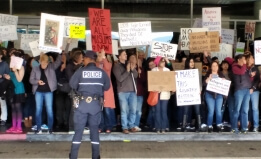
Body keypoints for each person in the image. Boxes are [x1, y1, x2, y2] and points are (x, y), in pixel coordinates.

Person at [69, 51, 110, 159]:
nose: (83, 60)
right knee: (94, 132)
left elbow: (72, 84)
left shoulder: (80, 71)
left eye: (84, 58)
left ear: (87, 59)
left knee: (78, 132)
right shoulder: (101, 72)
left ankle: (73, 156)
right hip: (95, 106)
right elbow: (107, 87)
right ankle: (95, 156)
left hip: (82, 105)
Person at [30, 52, 62, 134]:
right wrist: (37, 82)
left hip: (48, 91)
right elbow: (31, 80)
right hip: (38, 91)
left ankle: (50, 128)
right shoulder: (35, 68)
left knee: (49, 110)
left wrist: (61, 51)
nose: (44, 64)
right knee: (38, 110)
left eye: (46, 63)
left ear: (48, 62)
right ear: (40, 61)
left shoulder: (51, 67)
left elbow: (58, 61)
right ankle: (38, 127)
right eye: (42, 62)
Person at [113, 50, 138, 134]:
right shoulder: (116, 66)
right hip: (122, 91)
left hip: (132, 90)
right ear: (119, 56)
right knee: (124, 110)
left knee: (133, 109)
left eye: (126, 54)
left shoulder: (129, 63)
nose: (126, 55)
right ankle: (125, 127)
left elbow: (136, 76)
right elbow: (120, 79)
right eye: (124, 54)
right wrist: (127, 71)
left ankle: (131, 125)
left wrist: (133, 69)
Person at [96, 49, 116, 133]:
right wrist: (99, 59)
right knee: (99, 109)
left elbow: (107, 68)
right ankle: (101, 126)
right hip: (98, 89)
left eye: (102, 55)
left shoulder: (108, 64)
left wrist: (104, 58)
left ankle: (109, 126)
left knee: (107, 109)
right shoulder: (96, 64)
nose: (100, 57)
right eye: (99, 55)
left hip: (107, 90)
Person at [5, 51, 26, 133]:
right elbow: (12, 78)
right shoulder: (10, 67)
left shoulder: (21, 67)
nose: (11, 58)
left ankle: (19, 126)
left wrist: (15, 71)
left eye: (13, 57)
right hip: (12, 90)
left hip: (19, 90)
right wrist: (8, 77)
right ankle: (13, 126)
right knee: (13, 108)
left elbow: (19, 79)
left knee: (18, 108)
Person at [231, 54, 251, 134]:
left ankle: (244, 127)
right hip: (239, 90)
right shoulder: (234, 67)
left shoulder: (245, 67)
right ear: (238, 60)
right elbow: (241, 72)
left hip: (246, 89)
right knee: (237, 110)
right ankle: (234, 127)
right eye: (243, 59)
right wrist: (245, 64)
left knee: (245, 110)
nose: (244, 61)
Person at [204, 61, 225, 133]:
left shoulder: (221, 74)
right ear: (211, 67)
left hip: (219, 94)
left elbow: (225, 84)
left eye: (216, 65)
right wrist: (209, 78)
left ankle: (219, 125)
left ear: (218, 67)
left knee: (218, 110)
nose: (215, 67)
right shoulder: (208, 74)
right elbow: (205, 83)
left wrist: (224, 81)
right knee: (211, 110)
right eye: (213, 66)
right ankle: (209, 125)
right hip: (209, 94)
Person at [182, 57, 201, 132]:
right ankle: (184, 126)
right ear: (187, 63)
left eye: (193, 62)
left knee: (197, 110)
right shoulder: (183, 73)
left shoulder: (197, 72)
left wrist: (200, 89)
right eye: (190, 62)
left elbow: (200, 83)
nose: (192, 63)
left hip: (195, 93)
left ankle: (198, 126)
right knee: (186, 110)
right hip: (186, 94)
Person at [152, 57, 171, 134]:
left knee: (163, 110)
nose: (163, 63)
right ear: (158, 62)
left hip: (165, 92)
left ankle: (163, 127)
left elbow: (170, 81)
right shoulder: (153, 70)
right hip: (156, 93)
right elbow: (151, 82)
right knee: (157, 110)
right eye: (162, 61)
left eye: (164, 62)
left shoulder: (167, 70)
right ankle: (157, 127)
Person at [245, 53, 260, 132]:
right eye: (251, 58)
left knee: (254, 108)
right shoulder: (244, 68)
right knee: (246, 108)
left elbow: (257, 79)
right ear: (248, 59)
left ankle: (256, 125)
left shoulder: (255, 68)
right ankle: (246, 124)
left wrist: (253, 88)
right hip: (245, 90)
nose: (253, 59)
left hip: (254, 91)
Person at [0, 49, 9, 126]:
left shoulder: (5, 64)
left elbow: (8, 76)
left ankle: (3, 118)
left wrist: (2, 76)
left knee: (2, 102)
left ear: (1, 55)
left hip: (2, 84)